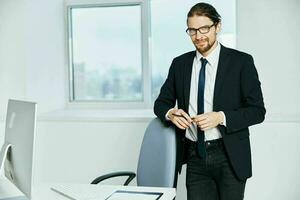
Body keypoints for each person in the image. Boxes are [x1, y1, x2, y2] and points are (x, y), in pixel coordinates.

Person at [154, 2, 266, 200]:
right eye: (192, 30)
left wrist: (220, 117)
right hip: (195, 155)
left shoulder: (241, 62)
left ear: (218, 26)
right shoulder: (179, 64)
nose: (198, 36)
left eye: (204, 28)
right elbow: (161, 103)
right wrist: (171, 114)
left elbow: (257, 111)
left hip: (229, 156)